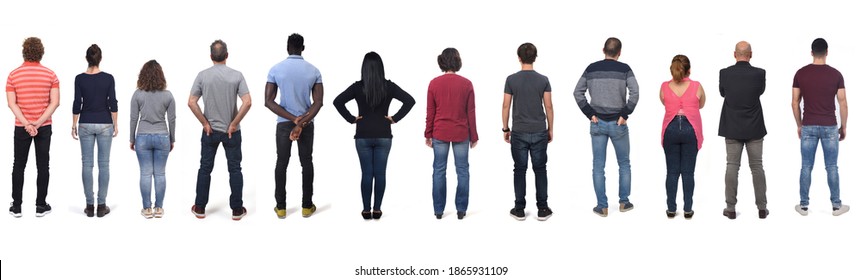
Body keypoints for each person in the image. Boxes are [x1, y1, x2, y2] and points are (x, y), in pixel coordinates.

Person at [333, 52, 415, 220]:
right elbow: (409, 100)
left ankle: (365, 210)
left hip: (362, 135)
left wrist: (351, 119)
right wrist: (394, 118)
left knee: (366, 174)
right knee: (380, 174)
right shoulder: (389, 86)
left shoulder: (357, 87)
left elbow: (337, 101)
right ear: (381, 68)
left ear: (364, 68)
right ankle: (377, 210)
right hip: (384, 135)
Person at [572, 37, 639, 217]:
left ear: (603, 50)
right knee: (624, 164)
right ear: (620, 52)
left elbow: (577, 92)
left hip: (597, 123)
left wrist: (589, 113)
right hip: (619, 124)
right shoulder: (625, 69)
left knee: (598, 166)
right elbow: (635, 92)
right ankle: (624, 203)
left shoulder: (591, 69)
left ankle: (602, 206)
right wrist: (625, 114)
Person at [189, 40, 252, 221]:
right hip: (232, 132)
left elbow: (191, 102)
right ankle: (237, 210)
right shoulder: (237, 75)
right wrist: (234, 123)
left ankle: (200, 207)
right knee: (235, 169)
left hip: (210, 131)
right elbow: (247, 102)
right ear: (227, 55)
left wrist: (204, 123)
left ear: (211, 56)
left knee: (205, 169)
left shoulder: (202, 76)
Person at [265, 33, 324, 219]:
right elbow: (318, 102)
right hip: (307, 123)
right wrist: (302, 121)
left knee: (281, 163)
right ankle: (307, 207)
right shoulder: (314, 71)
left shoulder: (276, 69)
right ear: (303, 48)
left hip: (284, 124)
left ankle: (281, 207)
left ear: (287, 47)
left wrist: (292, 119)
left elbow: (268, 101)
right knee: (306, 162)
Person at [791, 38, 850, 216]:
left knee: (806, 166)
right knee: (832, 166)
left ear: (811, 52)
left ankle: (803, 206)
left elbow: (794, 103)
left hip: (808, 125)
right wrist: (843, 126)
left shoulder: (800, 73)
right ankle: (837, 206)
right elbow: (843, 104)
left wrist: (799, 125)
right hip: (830, 126)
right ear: (826, 52)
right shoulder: (836, 75)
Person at [7, 37, 60, 218]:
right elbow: (55, 103)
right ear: (41, 53)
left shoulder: (13, 75)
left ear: (24, 52)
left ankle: (17, 206)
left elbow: (11, 104)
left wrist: (26, 123)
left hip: (21, 126)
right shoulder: (50, 75)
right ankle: (40, 205)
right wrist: (37, 123)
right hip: (43, 126)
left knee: (18, 165)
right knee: (43, 165)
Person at [502, 42, 554, 221]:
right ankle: (543, 208)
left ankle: (519, 209)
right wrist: (550, 129)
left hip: (519, 131)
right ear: (535, 57)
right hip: (539, 130)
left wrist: (505, 128)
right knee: (540, 169)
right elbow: (548, 106)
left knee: (519, 169)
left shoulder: (511, 79)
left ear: (519, 58)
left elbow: (506, 105)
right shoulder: (543, 79)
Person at [425, 48, 478, 220]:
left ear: (441, 62)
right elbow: (471, 112)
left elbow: (430, 112)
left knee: (439, 170)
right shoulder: (466, 84)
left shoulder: (434, 83)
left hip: (439, 132)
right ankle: (461, 209)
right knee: (462, 171)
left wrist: (428, 133)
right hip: (461, 132)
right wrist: (474, 135)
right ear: (458, 61)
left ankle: (438, 210)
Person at [718, 41, 768, 220]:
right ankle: (762, 208)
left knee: (732, 166)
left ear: (734, 54)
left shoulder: (724, 73)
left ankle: (730, 208)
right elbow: (759, 92)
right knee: (757, 166)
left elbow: (723, 93)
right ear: (751, 54)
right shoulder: (759, 74)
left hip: (731, 125)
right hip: (754, 125)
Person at [72, 44, 118, 218]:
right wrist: (116, 123)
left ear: (87, 58)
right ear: (100, 58)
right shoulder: (108, 78)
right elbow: (113, 102)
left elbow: (77, 103)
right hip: (105, 123)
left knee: (87, 164)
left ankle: (90, 206)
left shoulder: (79, 79)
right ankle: (102, 205)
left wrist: (73, 124)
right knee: (104, 164)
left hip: (85, 123)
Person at [660, 55, 705, 220]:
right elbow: (701, 104)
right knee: (688, 172)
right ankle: (688, 209)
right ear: (689, 70)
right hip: (690, 129)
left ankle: (671, 209)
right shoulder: (697, 86)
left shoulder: (664, 86)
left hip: (670, 129)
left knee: (672, 172)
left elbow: (664, 103)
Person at [130, 60, 175, 219]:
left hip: (142, 136)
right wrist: (172, 139)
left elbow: (133, 119)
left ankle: (147, 209)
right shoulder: (168, 95)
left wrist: (131, 139)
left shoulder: (137, 94)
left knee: (145, 173)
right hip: (162, 135)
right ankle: (159, 208)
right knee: (160, 174)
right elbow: (172, 120)